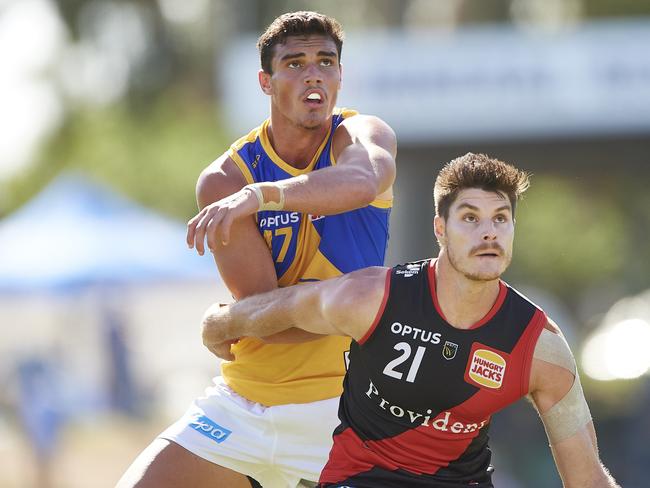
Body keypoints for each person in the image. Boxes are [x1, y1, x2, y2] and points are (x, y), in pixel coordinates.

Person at [202, 153, 621, 488]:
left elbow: (587, 479)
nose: (488, 232)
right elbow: (285, 306)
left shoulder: (540, 346)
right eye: (470, 218)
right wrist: (221, 323)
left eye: (501, 219)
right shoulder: (373, 298)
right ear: (440, 229)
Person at [117, 11, 396, 488]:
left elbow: (363, 181)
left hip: (343, 407)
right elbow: (270, 324)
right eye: (294, 63)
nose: (313, 73)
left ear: (339, 77)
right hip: (242, 403)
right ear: (265, 82)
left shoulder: (362, 136)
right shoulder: (226, 179)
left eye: (325, 62)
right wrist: (250, 317)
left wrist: (265, 197)